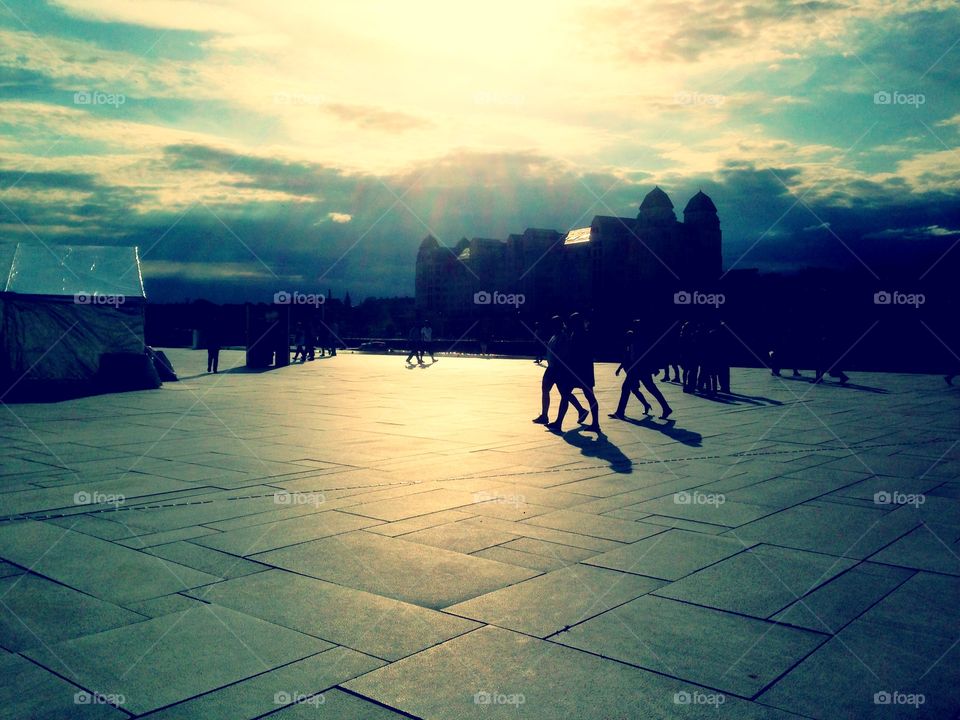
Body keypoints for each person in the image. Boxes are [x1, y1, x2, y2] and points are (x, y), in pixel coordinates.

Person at [548, 312, 601, 433]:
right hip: (583, 371)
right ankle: (594, 423)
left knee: (569, 395)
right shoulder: (579, 334)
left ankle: (559, 422)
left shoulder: (579, 335)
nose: (569, 324)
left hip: (578, 371)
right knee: (587, 397)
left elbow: (576, 354)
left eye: (572, 321)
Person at [533, 316, 587, 425]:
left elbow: (564, 354)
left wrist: (559, 368)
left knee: (564, 393)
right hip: (551, 367)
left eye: (554, 324)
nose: (552, 326)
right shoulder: (555, 336)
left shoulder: (563, 337)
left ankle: (581, 410)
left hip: (558, 369)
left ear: (558, 324)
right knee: (546, 390)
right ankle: (545, 415)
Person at [609, 329, 652, 418]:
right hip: (631, 372)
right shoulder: (628, 346)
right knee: (634, 390)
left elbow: (629, 359)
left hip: (633, 373)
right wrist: (619, 368)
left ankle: (620, 412)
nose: (626, 338)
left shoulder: (633, 346)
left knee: (627, 389)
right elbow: (625, 359)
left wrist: (621, 369)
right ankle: (646, 405)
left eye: (628, 337)